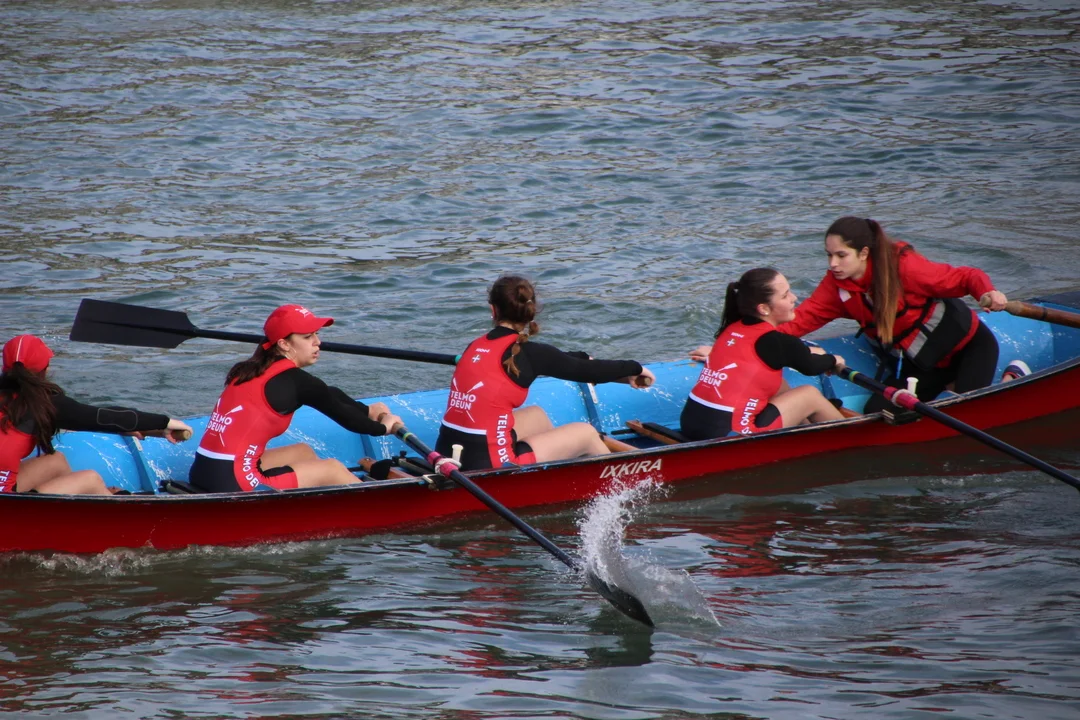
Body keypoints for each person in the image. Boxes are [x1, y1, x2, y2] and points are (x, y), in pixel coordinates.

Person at [776, 216, 1009, 413]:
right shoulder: (836, 287)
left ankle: (1013, 376)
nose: (833, 264)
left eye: (841, 255)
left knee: (965, 411)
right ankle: (948, 385)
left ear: (863, 253)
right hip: (921, 365)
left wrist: (986, 292)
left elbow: (965, 277)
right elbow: (799, 321)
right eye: (829, 255)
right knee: (878, 413)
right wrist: (761, 336)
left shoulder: (905, 268)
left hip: (967, 349)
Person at [435, 275, 655, 472]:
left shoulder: (475, 346)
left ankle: (550, 476)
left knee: (536, 416)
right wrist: (635, 368)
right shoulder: (530, 353)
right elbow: (588, 372)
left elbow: (563, 360)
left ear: (493, 310)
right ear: (531, 311)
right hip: (491, 463)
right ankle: (620, 491)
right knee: (587, 433)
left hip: (447, 451)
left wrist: (582, 357)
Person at [189, 304, 402, 493]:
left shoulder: (249, 370)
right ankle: (381, 508)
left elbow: (329, 394)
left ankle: (319, 504)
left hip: (203, 471)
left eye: (316, 334)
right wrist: (383, 427)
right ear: (284, 344)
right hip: (235, 481)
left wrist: (367, 410)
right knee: (332, 468)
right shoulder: (297, 381)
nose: (318, 342)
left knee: (303, 452)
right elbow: (351, 422)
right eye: (307, 337)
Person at [0, 334, 193, 495]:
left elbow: (83, 419)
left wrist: (128, 428)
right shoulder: (46, 404)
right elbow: (104, 417)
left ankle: (76, 511)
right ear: (46, 369)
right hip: (9, 507)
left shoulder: (18, 400)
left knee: (55, 461)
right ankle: (119, 519)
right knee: (90, 479)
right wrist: (165, 422)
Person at [682, 268, 847, 440]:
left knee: (778, 384)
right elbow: (811, 366)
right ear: (764, 309)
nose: (794, 298)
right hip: (733, 433)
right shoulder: (778, 341)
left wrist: (812, 353)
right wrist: (833, 360)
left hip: (690, 425)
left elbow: (796, 355)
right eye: (785, 296)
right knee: (809, 395)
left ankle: (805, 430)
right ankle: (851, 439)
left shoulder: (731, 329)